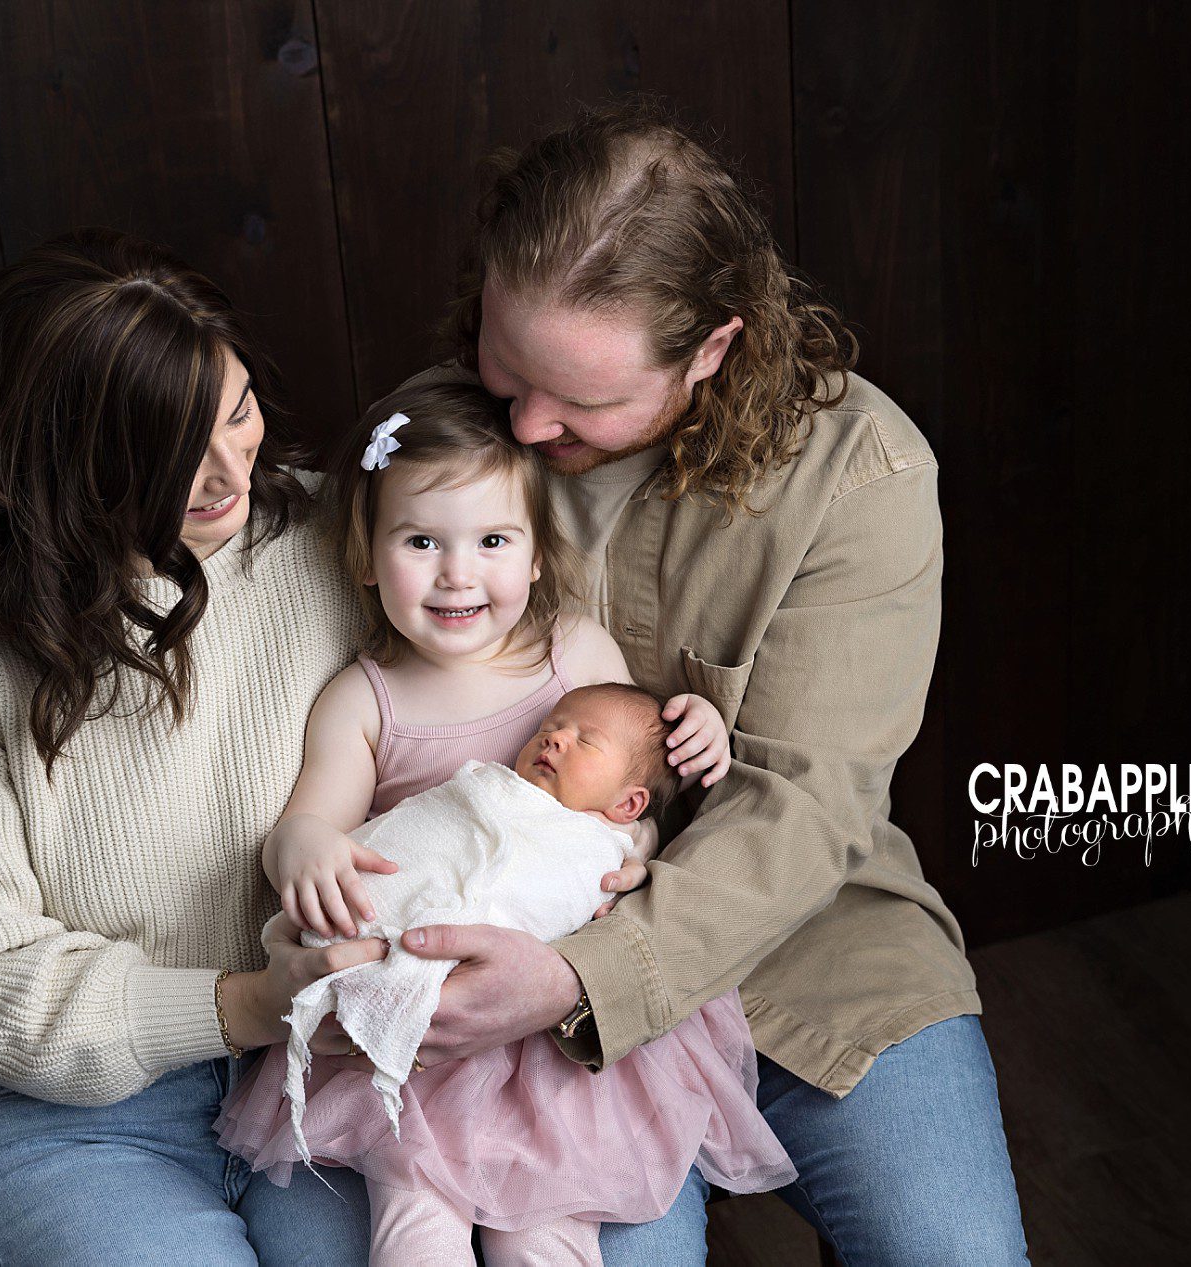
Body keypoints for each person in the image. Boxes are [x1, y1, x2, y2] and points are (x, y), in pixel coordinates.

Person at [363, 98, 1032, 1262]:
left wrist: (580, 976)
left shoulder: (858, 472)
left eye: (581, 402)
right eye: (505, 362)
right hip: (515, 945)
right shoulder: (448, 455)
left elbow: (806, 809)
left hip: (810, 949)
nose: (525, 421)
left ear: (714, 347)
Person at [0, 228, 383, 1265]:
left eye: (238, 412)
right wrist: (240, 1004)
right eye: (169, 447)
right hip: (68, 1117)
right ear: (60, 458)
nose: (229, 470)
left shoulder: (346, 539)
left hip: (325, 1078)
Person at [213, 384, 790, 1264]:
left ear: (531, 555)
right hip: (426, 1032)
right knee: (415, 1220)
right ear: (366, 556)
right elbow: (310, 823)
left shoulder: (574, 653)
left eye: (492, 541)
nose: (458, 573)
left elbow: (637, 773)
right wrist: (302, 845)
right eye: (420, 542)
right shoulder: (366, 699)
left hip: (558, 1026)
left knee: (548, 1227)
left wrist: (690, 736)